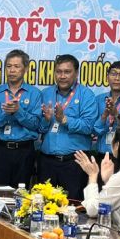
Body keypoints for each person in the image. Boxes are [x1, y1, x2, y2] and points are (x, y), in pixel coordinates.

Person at [38, 55, 99, 200]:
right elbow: (39, 128)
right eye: (58, 72)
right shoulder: (46, 93)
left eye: (67, 72)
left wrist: (64, 120)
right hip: (47, 162)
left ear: (76, 73)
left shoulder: (86, 95)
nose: (62, 76)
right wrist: (46, 120)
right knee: (43, 206)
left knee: (73, 209)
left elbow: (89, 127)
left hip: (74, 164)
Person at [0, 49, 42, 189]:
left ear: (25, 68)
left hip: (24, 150)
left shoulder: (35, 94)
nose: (12, 70)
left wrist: (18, 112)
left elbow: (36, 124)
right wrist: (6, 114)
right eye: (9, 66)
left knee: (21, 193)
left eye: (16, 66)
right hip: (0, 149)